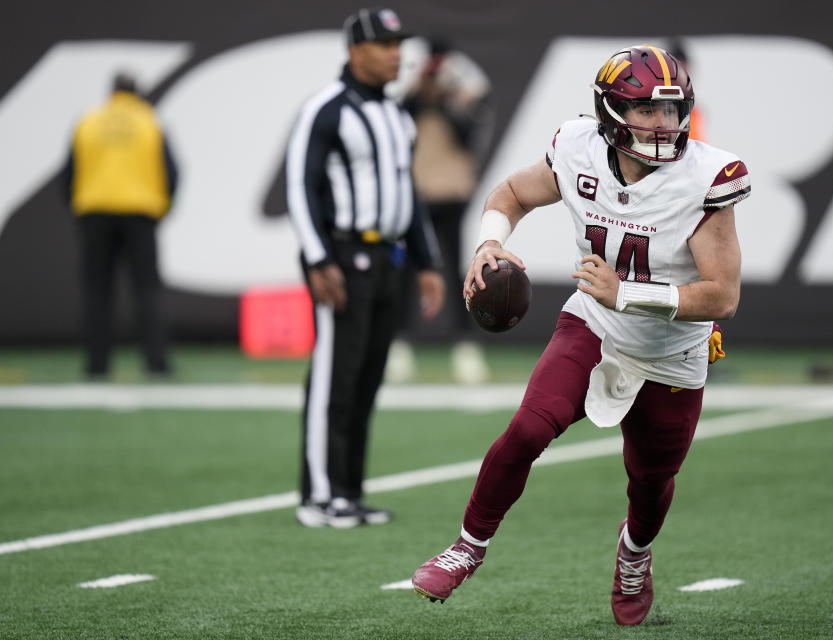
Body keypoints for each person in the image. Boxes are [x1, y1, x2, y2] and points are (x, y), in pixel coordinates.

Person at [412, 45, 750, 625]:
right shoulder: (578, 149)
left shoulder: (705, 177)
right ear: (611, 112)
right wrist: (490, 241)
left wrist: (628, 292)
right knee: (525, 430)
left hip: (674, 352)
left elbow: (722, 295)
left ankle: (634, 555)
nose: (662, 124)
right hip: (594, 325)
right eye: (645, 110)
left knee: (650, 481)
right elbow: (512, 194)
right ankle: (468, 545)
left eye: (670, 111)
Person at [286, 7, 445, 528]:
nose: (396, 54)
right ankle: (318, 495)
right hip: (343, 258)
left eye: (399, 44)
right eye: (384, 44)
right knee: (336, 376)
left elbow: (409, 195)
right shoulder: (326, 109)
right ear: (356, 51)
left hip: (390, 259)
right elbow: (300, 186)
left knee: (369, 377)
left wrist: (426, 262)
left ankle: (349, 490)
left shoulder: (398, 115)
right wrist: (316, 258)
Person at [387, 37, 495, 384]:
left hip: (451, 194)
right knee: (407, 270)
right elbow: (398, 125)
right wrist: (421, 93)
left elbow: (468, 137)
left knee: (455, 268)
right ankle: (399, 344)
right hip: (416, 193)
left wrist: (446, 99)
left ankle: (465, 347)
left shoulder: (464, 93)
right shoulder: (410, 97)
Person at [64, 71, 177, 379]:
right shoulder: (148, 121)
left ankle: (96, 365)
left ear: (111, 91)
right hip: (140, 213)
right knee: (147, 291)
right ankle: (156, 363)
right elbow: (171, 171)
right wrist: (162, 208)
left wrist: (77, 207)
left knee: (97, 291)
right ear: (136, 92)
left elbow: (69, 172)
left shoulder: (88, 121)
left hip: (95, 212)